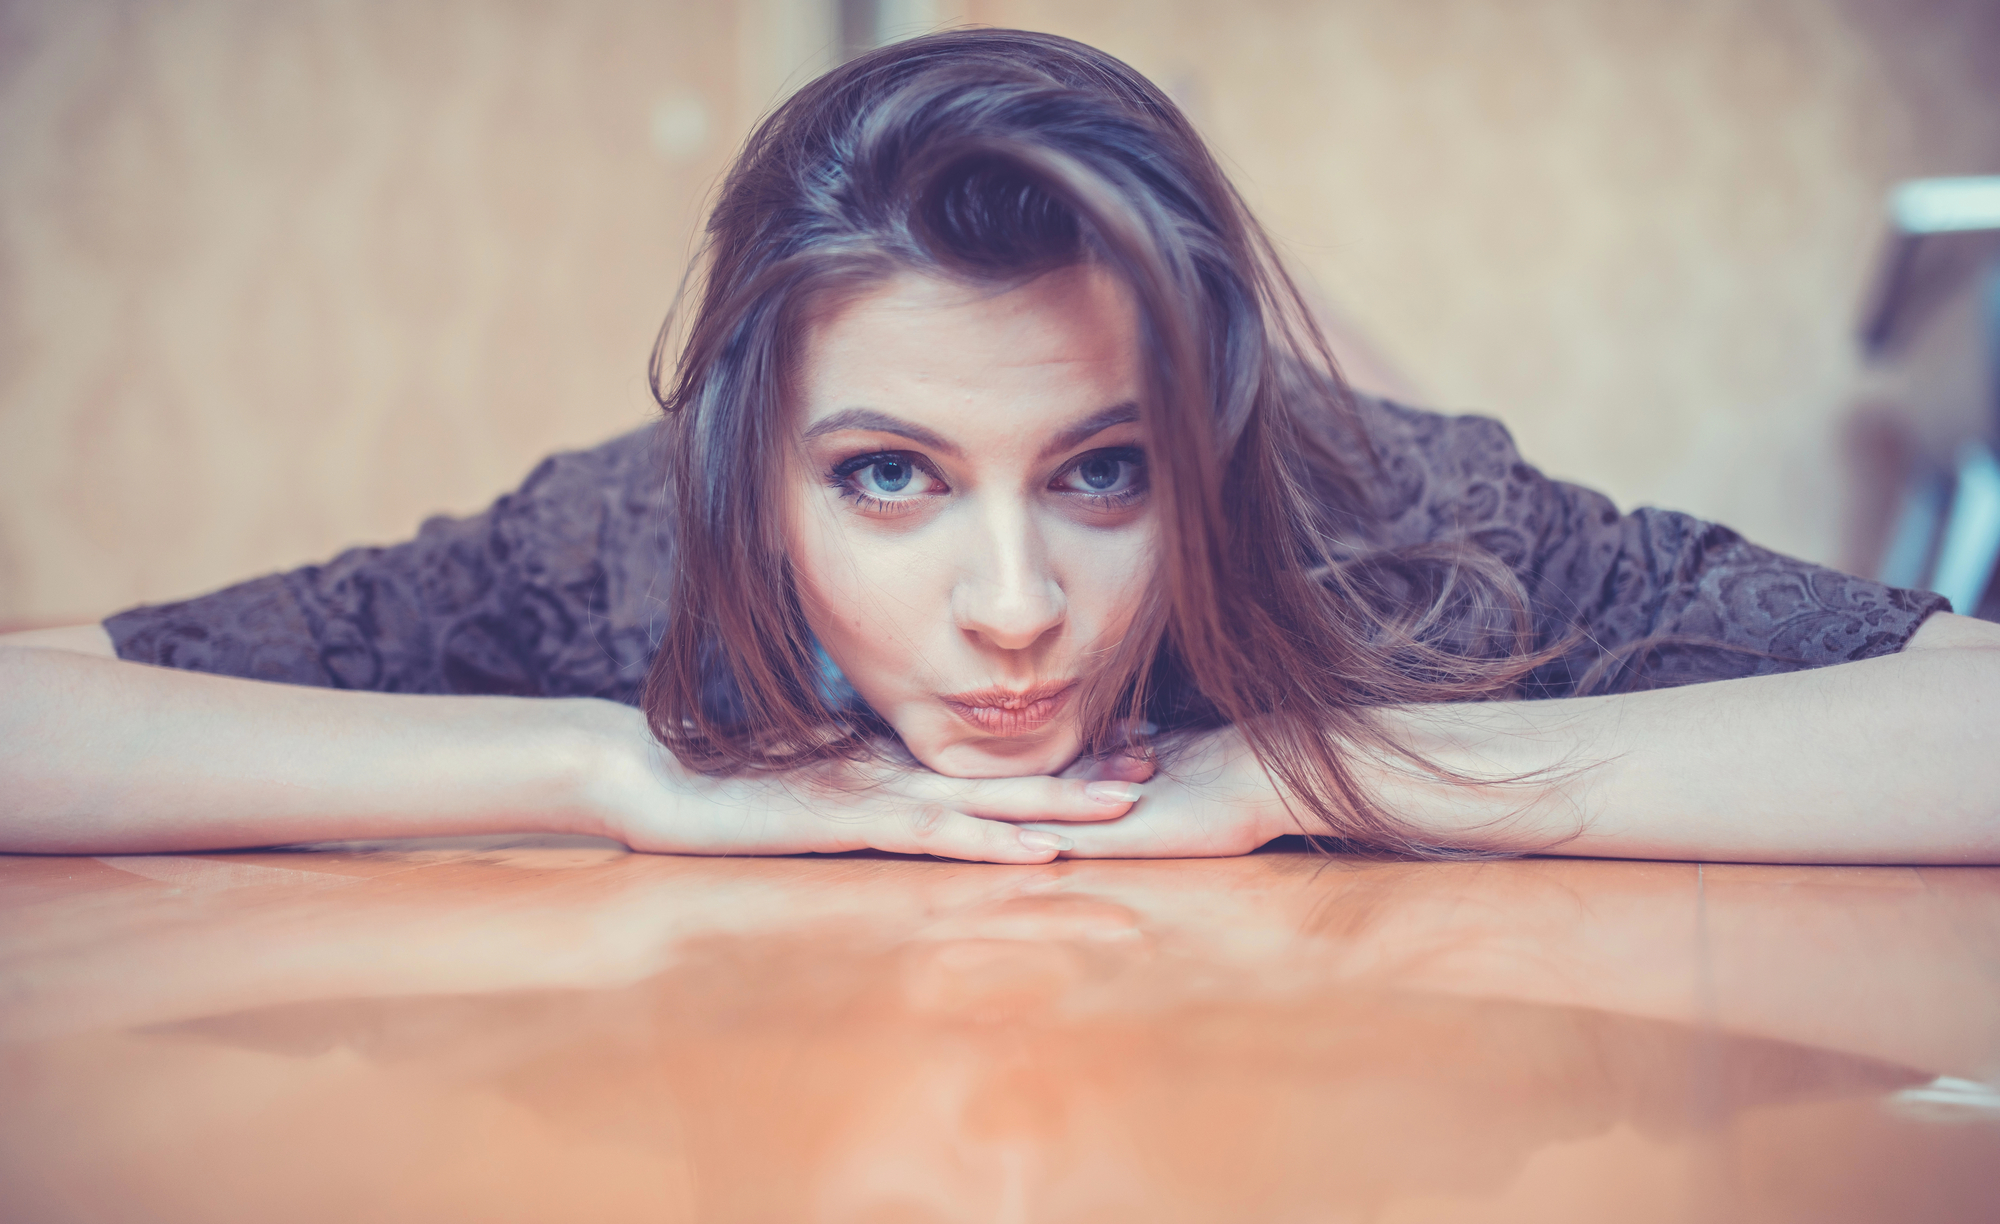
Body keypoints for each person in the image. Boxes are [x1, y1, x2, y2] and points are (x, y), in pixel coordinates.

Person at [4, 30, 1996, 863]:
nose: (1016, 606)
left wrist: (1326, 769)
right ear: (750, 477)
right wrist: (608, 766)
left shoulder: (1366, 502)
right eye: (886, 476)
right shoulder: (620, 545)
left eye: (1100, 471)